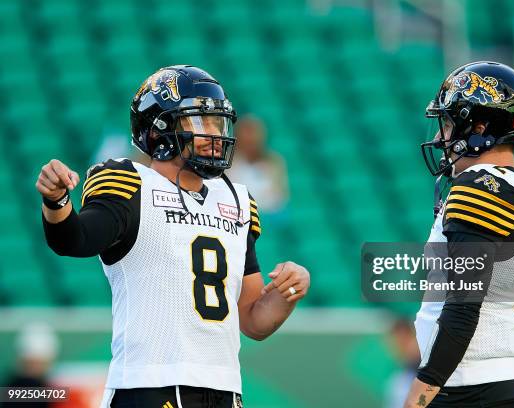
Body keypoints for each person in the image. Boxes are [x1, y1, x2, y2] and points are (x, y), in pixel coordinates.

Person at [36, 65, 310, 408]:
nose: (215, 134)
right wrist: (57, 201)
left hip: (225, 390)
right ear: (161, 129)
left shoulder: (236, 200)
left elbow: (254, 320)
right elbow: (73, 240)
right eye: (200, 122)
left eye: (217, 122)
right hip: (152, 386)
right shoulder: (131, 183)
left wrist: (289, 292)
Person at [403, 62, 514, 407]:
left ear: (479, 127)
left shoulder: (478, 188)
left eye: (447, 123)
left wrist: (421, 392)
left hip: (469, 387)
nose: (440, 137)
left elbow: (463, 309)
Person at [226, 115, 288, 216]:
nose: (250, 139)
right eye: (246, 133)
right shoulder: (226, 163)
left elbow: (280, 199)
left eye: (253, 134)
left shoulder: (274, 162)